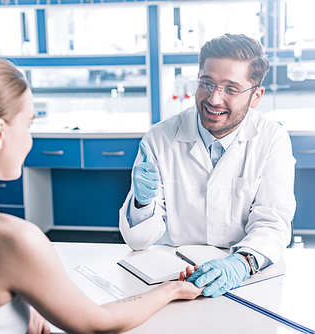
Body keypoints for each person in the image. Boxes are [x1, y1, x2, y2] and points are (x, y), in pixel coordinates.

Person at [0, 54, 203, 334]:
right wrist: (173, 288)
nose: (29, 139)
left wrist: (21, 303)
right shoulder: (9, 239)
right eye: (28, 125)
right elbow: (99, 323)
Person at [119, 33, 296, 298]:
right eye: (207, 83)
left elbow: (272, 223)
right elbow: (139, 241)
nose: (214, 99)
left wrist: (241, 263)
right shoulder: (159, 138)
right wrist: (143, 204)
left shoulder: (272, 140)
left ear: (256, 96)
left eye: (231, 89)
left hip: (244, 275)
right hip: (173, 278)